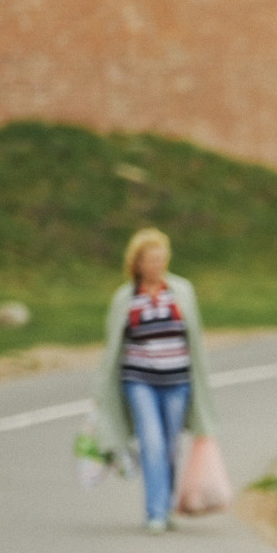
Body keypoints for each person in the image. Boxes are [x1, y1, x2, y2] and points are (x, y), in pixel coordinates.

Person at [94, 227, 220, 533]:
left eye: (161, 259)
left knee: (170, 446)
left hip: (178, 380)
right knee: (151, 442)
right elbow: (112, 347)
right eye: (150, 260)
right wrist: (101, 392)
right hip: (139, 381)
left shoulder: (181, 291)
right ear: (137, 263)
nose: (156, 265)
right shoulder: (126, 298)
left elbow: (196, 340)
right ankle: (155, 513)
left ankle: (165, 506)